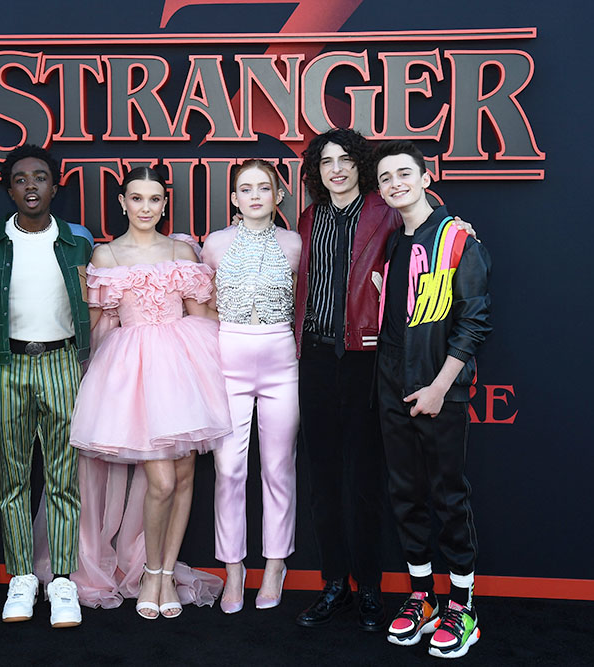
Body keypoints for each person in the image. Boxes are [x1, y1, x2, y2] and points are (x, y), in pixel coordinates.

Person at [69, 166, 231, 619]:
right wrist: (98, 380)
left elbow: (202, 314)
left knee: (183, 478)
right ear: (122, 202)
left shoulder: (181, 250)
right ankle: (147, 573)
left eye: (154, 199)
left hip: (185, 367)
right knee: (159, 481)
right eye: (136, 198)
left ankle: (161, 576)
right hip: (135, 374)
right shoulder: (106, 256)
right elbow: (103, 322)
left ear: (164, 204)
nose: (145, 207)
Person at [374, 140, 491, 659]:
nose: (395, 183)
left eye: (404, 173)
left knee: (447, 496)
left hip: (439, 390)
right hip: (393, 387)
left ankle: (461, 608)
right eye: (385, 177)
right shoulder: (396, 243)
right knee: (405, 495)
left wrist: (440, 388)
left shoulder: (456, 236)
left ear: (426, 177)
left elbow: (472, 324)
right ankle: (421, 596)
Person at [0, 145, 93, 628]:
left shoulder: (78, 240)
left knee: (65, 476)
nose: (31, 186)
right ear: (9, 189)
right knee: (13, 476)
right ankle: (21, 576)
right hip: (7, 364)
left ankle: (62, 580)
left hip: (62, 361)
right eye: (20, 179)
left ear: (55, 186)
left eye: (41, 177)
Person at [292, 128, 401, 631]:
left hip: (364, 358)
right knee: (323, 480)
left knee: (363, 479)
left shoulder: (387, 213)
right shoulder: (310, 218)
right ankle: (333, 584)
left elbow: (423, 255)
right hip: (314, 357)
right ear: (317, 171)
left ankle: (371, 590)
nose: (336, 169)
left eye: (345, 160)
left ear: (360, 164)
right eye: (326, 161)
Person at [200, 160, 302, 613]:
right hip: (229, 360)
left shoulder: (294, 243)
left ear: (278, 195)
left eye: (265, 187)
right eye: (246, 188)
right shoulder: (215, 244)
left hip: (282, 359)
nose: (256, 195)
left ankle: (276, 565)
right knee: (228, 470)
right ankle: (234, 569)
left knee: (279, 469)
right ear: (235, 198)